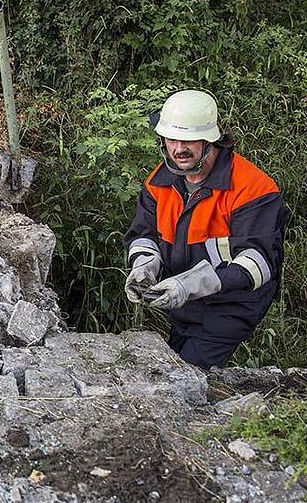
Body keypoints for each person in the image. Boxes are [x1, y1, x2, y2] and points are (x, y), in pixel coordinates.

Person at [123, 89, 289, 368]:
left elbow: (258, 264)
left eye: (188, 140)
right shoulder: (159, 182)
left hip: (231, 305)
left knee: (184, 373)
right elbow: (143, 235)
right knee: (176, 365)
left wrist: (188, 284)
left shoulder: (252, 188)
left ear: (210, 140)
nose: (178, 149)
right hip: (184, 304)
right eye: (172, 139)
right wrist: (144, 266)